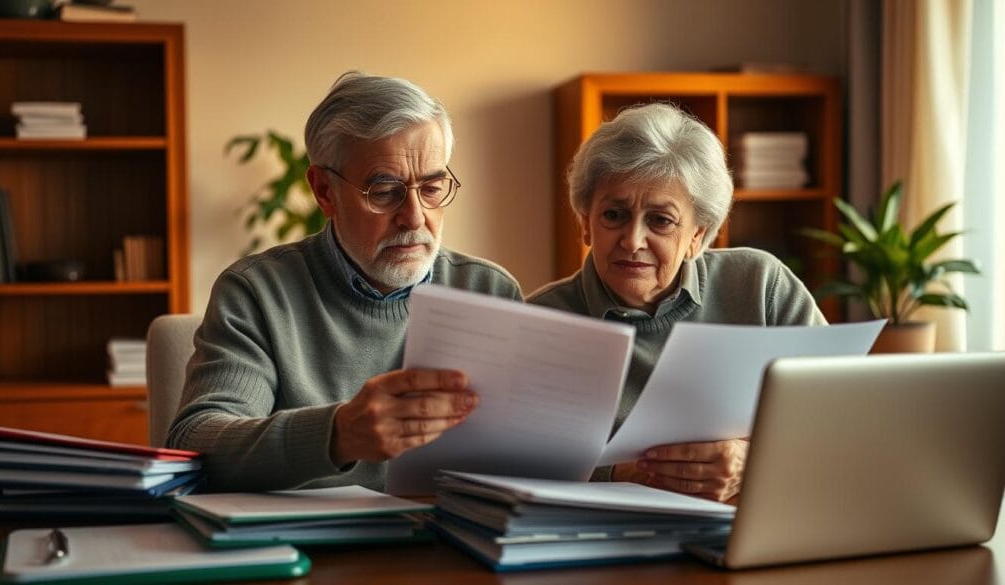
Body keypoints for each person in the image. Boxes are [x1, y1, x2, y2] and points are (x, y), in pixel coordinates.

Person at [166, 72, 522, 492]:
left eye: (431, 187)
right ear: (324, 191)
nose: (414, 216)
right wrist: (336, 435)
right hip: (307, 547)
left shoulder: (490, 292)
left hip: (453, 545)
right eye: (385, 190)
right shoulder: (256, 293)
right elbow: (195, 445)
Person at [528, 103, 825, 503]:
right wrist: (615, 476)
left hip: (749, 532)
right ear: (585, 222)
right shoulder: (539, 321)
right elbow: (512, 465)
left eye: (660, 221)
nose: (633, 240)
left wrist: (752, 461)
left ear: (697, 235)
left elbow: (839, 418)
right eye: (614, 215)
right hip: (603, 541)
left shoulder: (760, 286)